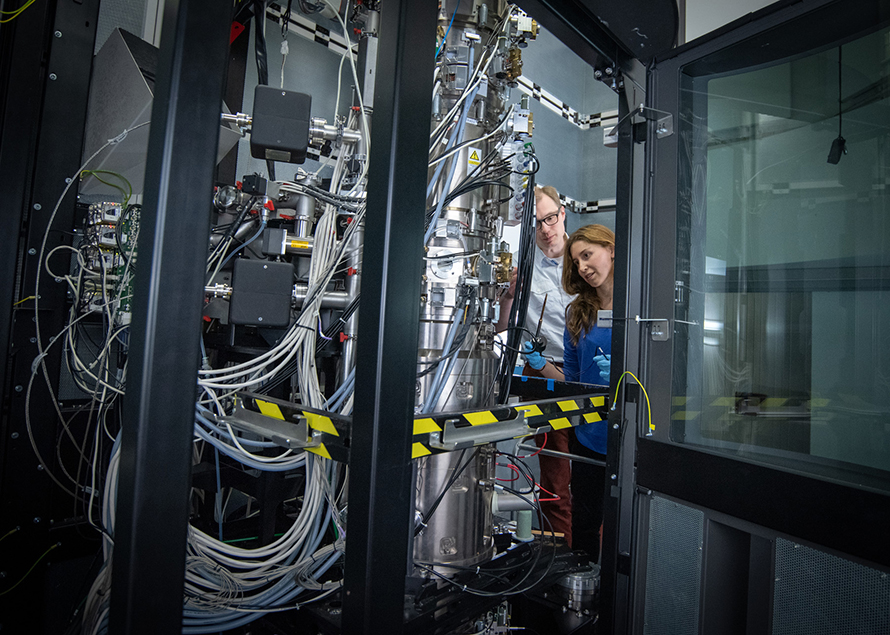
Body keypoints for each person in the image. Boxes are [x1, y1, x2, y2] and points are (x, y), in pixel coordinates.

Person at [521, 223, 615, 562]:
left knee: (624, 525)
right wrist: (539, 363)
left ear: (612, 249)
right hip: (590, 436)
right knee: (586, 522)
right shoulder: (578, 313)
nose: (583, 268)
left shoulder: (637, 309)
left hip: (628, 434)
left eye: (588, 255)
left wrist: (620, 374)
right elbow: (570, 379)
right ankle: (583, 588)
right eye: (576, 262)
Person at [496, 185, 574, 545]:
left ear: (563, 215)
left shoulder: (588, 256)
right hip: (542, 373)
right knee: (556, 475)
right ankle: (558, 553)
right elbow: (502, 328)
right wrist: (509, 296)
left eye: (551, 218)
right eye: (538, 223)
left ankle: (586, 547)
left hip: (586, 373)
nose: (546, 229)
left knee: (593, 471)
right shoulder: (522, 267)